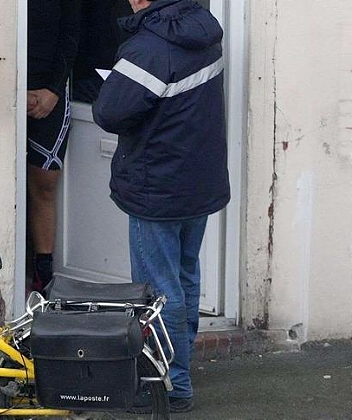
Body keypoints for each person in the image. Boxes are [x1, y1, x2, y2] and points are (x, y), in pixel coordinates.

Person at [92, 0, 230, 413]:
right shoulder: (206, 30)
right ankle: (179, 367)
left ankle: (169, 385)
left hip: (158, 187)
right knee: (185, 278)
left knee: (157, 292)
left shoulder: (148, 49)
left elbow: (109, 112)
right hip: (197, 183)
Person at [26, 0, 81, 294]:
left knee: (44, 182)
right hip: (5, 85)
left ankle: (42, 276)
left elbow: (71, 34)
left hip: (50, 92)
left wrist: (53, 90)